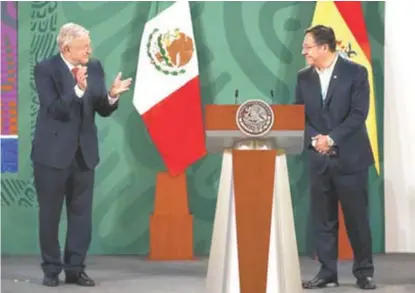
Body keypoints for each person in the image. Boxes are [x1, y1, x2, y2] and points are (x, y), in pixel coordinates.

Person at [32, 22, 132, 287]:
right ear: (66, 48)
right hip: (51, 156)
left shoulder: (95, 67)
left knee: (81, 216)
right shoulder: (45, 70)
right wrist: (76, 89)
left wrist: (111, 95)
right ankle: (51, 270)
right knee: (50, 215)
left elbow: (100, 107)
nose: (90, 49)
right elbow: (55, 110)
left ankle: (75, 270)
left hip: (84, 155)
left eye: (89, 44)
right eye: (84, 46)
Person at [294, 25, 376, 290]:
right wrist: (316, 140)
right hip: (319, 160)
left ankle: (364, 272)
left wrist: (331, 139)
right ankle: (327, 272)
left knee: (357, 219)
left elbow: (358, 114)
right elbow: (298, 116)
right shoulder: (303, 77)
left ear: (324, 47)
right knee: (323, 220)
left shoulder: (355, 73)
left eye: (307, 46)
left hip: (350, 159)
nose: (303, 51)